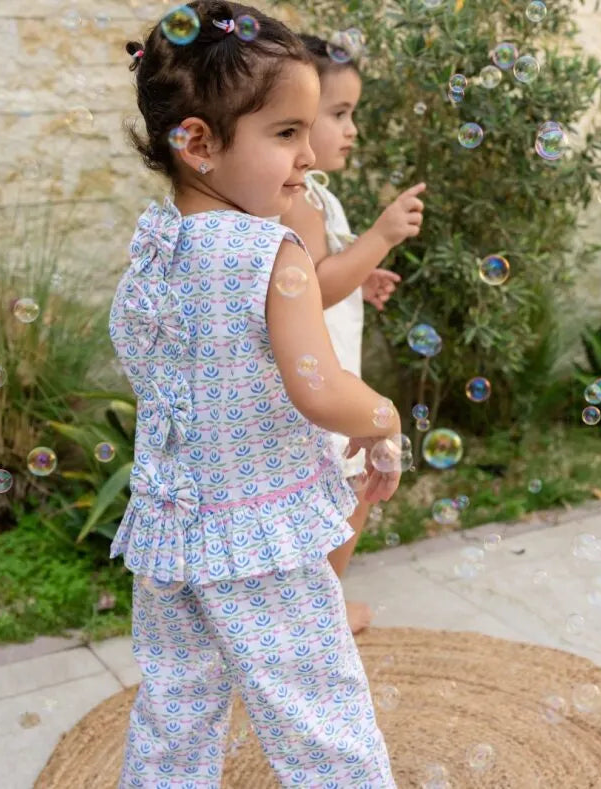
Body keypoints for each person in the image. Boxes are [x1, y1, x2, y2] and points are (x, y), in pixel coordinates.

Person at [110, 3, 401, 786]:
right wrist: (384, 415)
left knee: (176, 710)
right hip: (259, 532)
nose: (308, 155)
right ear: (198, 142)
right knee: (318, 710)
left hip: (171, 530)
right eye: (284, 134)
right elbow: (319, 388)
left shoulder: (156, 246)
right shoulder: (271, 250)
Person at [279, 34, 425, 635]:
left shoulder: (312, 197)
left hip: (326, 375)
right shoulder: (303, 204)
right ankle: (323, 610)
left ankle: (317, 604)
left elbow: (319, 277)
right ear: (295, 123)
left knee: (344, 491)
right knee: (355, 490)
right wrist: (382, 236)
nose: (351, 129)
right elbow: (309, 288)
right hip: (326, 384)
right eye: (338, 115)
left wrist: (360, 276)